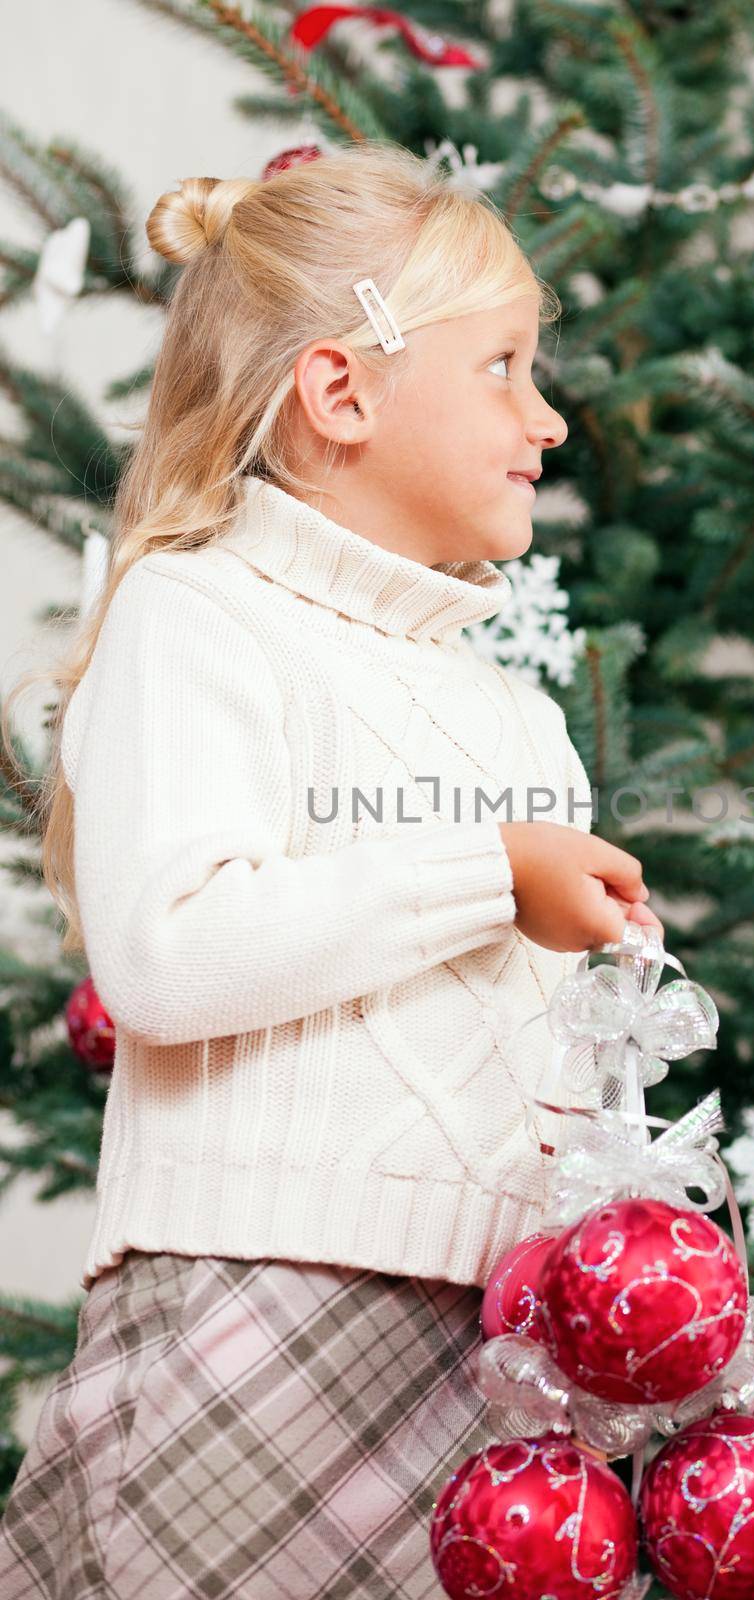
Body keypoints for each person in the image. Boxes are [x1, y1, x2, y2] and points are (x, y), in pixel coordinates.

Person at [0, 140, 663, 1598]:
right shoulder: (198, 617)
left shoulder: (509, 706)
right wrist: (491, 872)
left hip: (495, 1347)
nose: (546, 419)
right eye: (502, 367)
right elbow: (170, 951)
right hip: (261, 1311)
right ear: (341, 390)